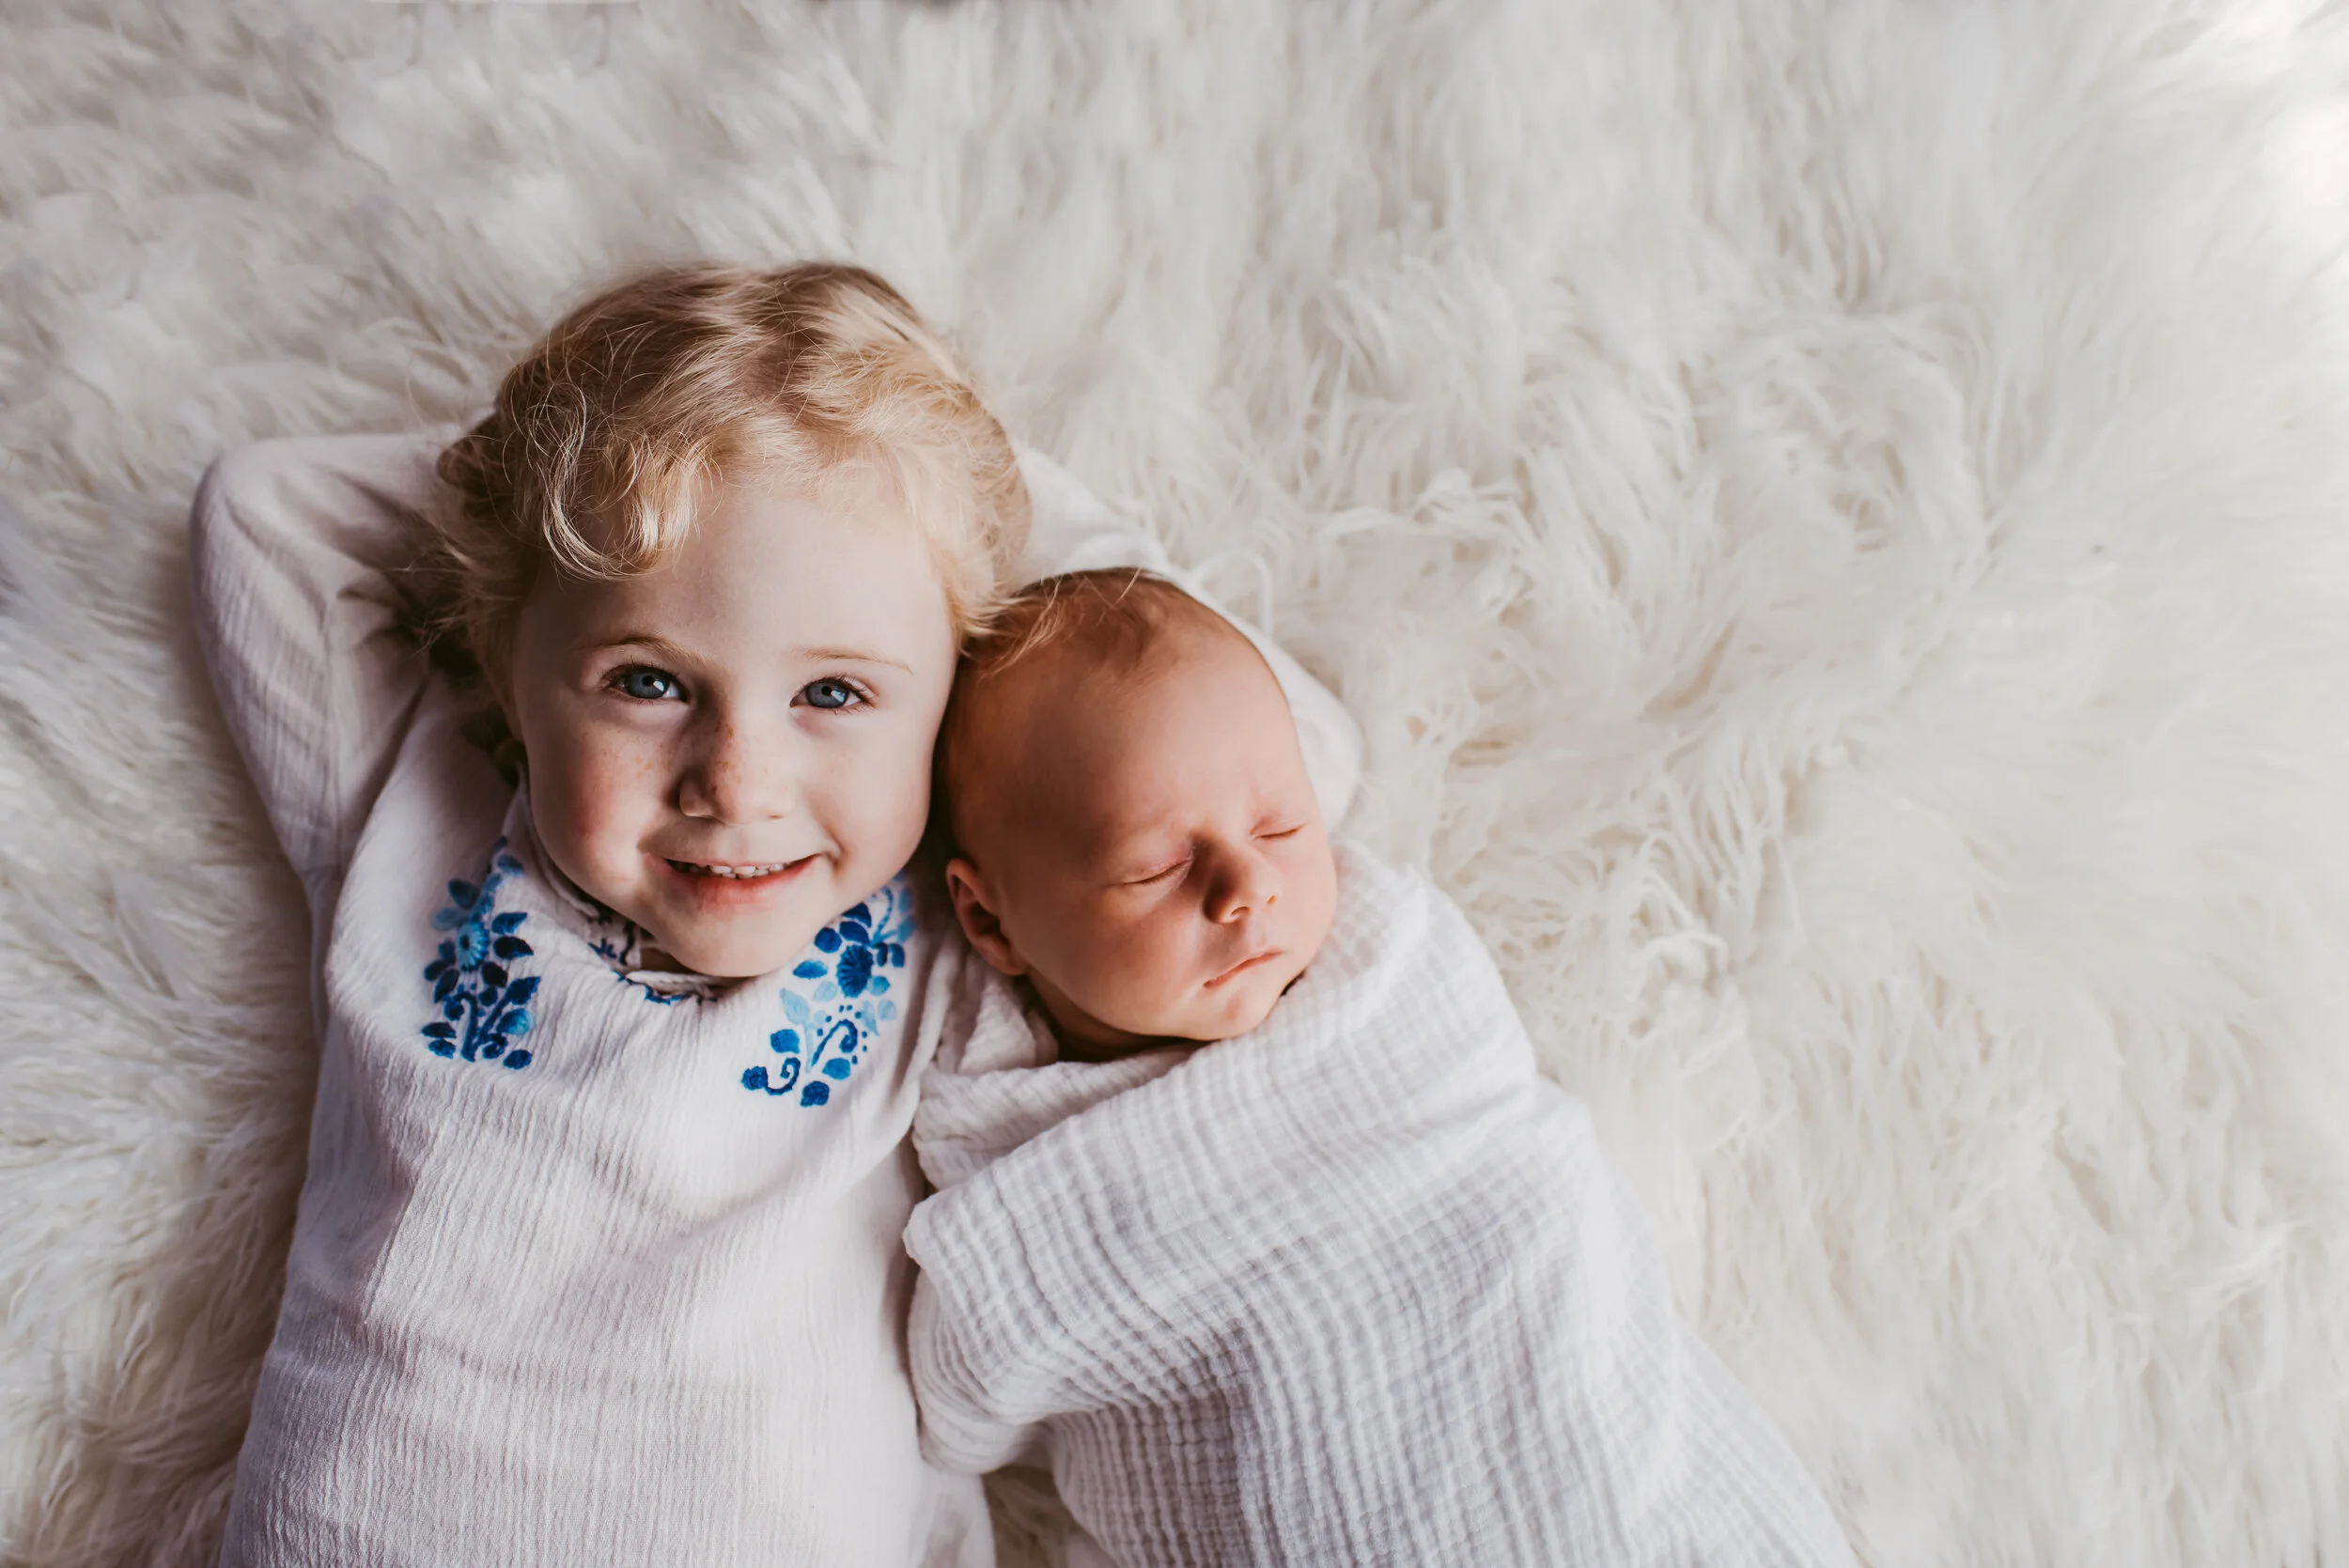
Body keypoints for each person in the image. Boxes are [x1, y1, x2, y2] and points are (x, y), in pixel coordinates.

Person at [189, 262, 1357, 1567]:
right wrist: (555, 491)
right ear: (509, 668)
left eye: (837, 696)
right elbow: (256, 510)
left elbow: (1284, 745)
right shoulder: (413, 800)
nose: (736, 783)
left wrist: (928, 487)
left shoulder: (960, 906)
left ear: (942, 697)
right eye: (645, 678)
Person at [907, 568, 1859, 1568]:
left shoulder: (1399, 993)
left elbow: (1517, 1177)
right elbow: (968, 1379)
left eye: (1281, 827)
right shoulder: (1021, 1174)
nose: (1246, 888)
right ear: (986, 917)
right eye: (1154, 868)